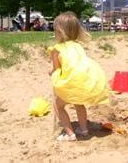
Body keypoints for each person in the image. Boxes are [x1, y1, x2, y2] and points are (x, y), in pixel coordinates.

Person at [47, 11, 110, 141]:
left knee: (58, 105)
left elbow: (56, 70)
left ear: (59, 32)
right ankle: (84, 129)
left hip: (71, 82)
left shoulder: (56, 49)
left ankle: (70, 134)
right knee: (78, 103)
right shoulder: (78, 46)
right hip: (83, 81)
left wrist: (50, 72)